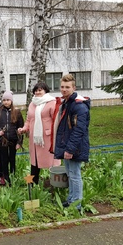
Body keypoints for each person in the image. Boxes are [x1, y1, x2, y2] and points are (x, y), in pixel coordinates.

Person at [51, 74, 90, 209]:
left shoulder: (79, 106)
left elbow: (79, 130)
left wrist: (70, 149)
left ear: (74, 87)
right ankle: (71, 199)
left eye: (67, 87)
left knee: (74, 175)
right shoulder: (67, 103)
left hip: (74, 147)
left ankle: (77, 204)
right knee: (70, 173)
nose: (64, 89)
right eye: (62, 87)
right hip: (68, 145)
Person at [18, 82, 60, 184]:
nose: (37, 92)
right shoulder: (32, 104)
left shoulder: (51, 102)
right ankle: (33, 184)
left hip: (47, 138)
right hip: (35, 139)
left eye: (40, 90)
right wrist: (24, 128)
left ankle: (55, 184)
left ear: (45, 90)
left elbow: (56, 120)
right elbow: (29, 120)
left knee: (52, 162)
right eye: (36, 90)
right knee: (35, 161)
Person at [0, 90, 24, 186]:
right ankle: (5, 179)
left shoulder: (17, 112)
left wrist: (19, 142)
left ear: (11, 101)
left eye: (8, 100)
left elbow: (21, 128)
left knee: (12, 159)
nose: (6, 102)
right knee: (4, 160)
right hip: (3, 141)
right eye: (4, 100)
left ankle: (13, 178)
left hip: (13, 140)